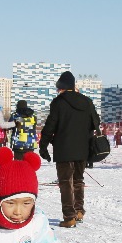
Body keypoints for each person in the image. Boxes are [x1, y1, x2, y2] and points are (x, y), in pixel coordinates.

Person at [39, 71, 101, 227]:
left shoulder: (58, 103)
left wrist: (43, 146)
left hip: (64, 149)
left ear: (61, 87)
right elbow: (96, 122)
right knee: (78, 180)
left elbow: (50, 126)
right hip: (82, 149)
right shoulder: (87, 101)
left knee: (66, 182)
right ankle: (79, 211)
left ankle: (69, 217)